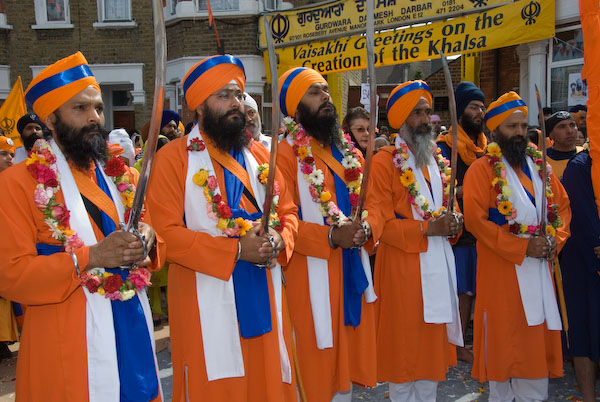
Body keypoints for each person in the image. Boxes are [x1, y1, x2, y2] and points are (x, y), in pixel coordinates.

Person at [0, 51, 165, 401]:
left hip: (130, 323)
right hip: (67, 346)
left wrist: (148, 239)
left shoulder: (121, 174)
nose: (95, 117)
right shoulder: (16, 184)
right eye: (80, 108)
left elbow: (148, 231)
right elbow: (11, 277)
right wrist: (90, 257)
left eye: (98, 108)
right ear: (50, 119)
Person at [146, 54, 299, 401]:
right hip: (204, 300)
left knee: (267, 380)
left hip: (266, 290)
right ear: (198, 108)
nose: (236, 104)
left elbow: (288, 213)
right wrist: (234, 250)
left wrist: (277, 237)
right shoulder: (174, 159)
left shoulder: (261, 154)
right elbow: (165, 232)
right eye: (223, 95)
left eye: (239, 95)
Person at [462, 91, 571, 402]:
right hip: (501, 278)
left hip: (539, 274)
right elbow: (475, 221)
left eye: (523, 126)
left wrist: (554, 240)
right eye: (512, 127)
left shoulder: (540, 165)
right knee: (503, 360)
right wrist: (521, 248)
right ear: (496, 132)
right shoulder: (482, 170)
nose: (520, 133)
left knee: (534, 361)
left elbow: (562, 208)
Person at [277, 67, 377, 402]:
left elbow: (373, 203)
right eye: (315, 93)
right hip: (307, 276)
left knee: (344, 371)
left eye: (325, 90)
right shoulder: (283, 155)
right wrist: (332, 238)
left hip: (351, 271)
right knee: (315, 367)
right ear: (296, 107)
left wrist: (367, 227)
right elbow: (282, 220)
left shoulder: (350, 152)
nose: (326, 98)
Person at [365, 80, 463, 401]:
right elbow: (379, 226)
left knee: (430, 363)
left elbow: (450, 208)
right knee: (404, 359)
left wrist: (454, 222)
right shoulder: (384, 162)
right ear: (402, 119)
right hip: (402, 272)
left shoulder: (438, 161)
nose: (425, 120)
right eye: (417, 113)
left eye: (427, 112)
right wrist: (425, 230)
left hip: (437, 266)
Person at [436, 81, 487, 364]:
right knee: (459, 290)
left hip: (482, 228)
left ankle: (463, 340)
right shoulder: (445, 149)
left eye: (481, 107)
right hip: (457, 229)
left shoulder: (485, 148)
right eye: (473, 107)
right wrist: (465, 192)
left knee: (472, 289)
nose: (479, 112)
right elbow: (442, 188)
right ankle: (454, 344)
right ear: (459, 112)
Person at [560, 150, 600, 402]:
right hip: (584, 261)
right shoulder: (580, 166)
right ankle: (588, 397)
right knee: (584, 330)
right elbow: (581, 217)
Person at [546, 111, 583, 179]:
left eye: (572, 125)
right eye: (562, 127)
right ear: (551, 134)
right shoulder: (541, 160)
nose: (569, 131)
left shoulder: (586, 154)